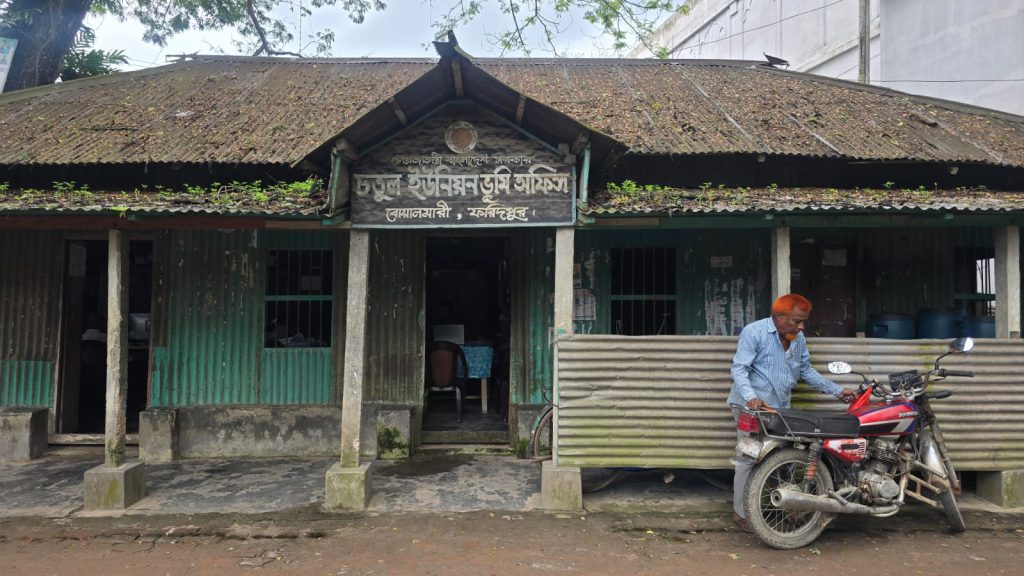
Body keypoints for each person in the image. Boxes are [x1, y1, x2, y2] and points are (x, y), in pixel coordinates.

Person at [727, 294, 857, 532]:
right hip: (751, 410)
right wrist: (751, 397)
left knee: (786, 458)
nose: (801, 326)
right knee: (748, 459)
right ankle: (741, 513)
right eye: (797, 321)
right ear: (779, 316)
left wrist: (838, 391)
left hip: (781, 410)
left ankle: (783, 509)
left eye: (803, 321)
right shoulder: (754, 332)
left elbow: (806, 371)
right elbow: (740, 369)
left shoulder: (798, 338)